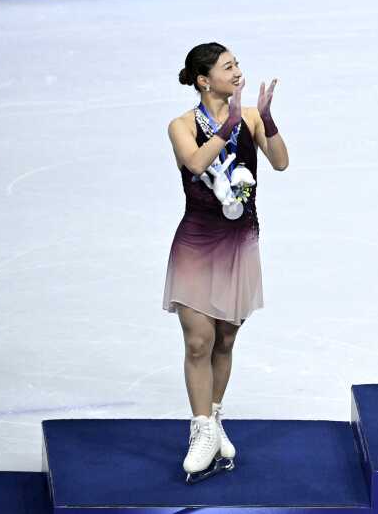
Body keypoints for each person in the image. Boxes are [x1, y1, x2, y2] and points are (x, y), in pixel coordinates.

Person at [165, 43, 288, 482]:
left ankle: (214, 419)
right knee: (198, 340)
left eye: (237, 64)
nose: (237, 72)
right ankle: (200, 429)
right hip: (198, 242)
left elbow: (281, 162)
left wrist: (265, 120)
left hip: (240, 242)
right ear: (204, 79)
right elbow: (196, 161)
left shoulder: (250, 117)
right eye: (227, 67)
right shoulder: (181, 125)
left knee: (225, 341)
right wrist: (227, 127)